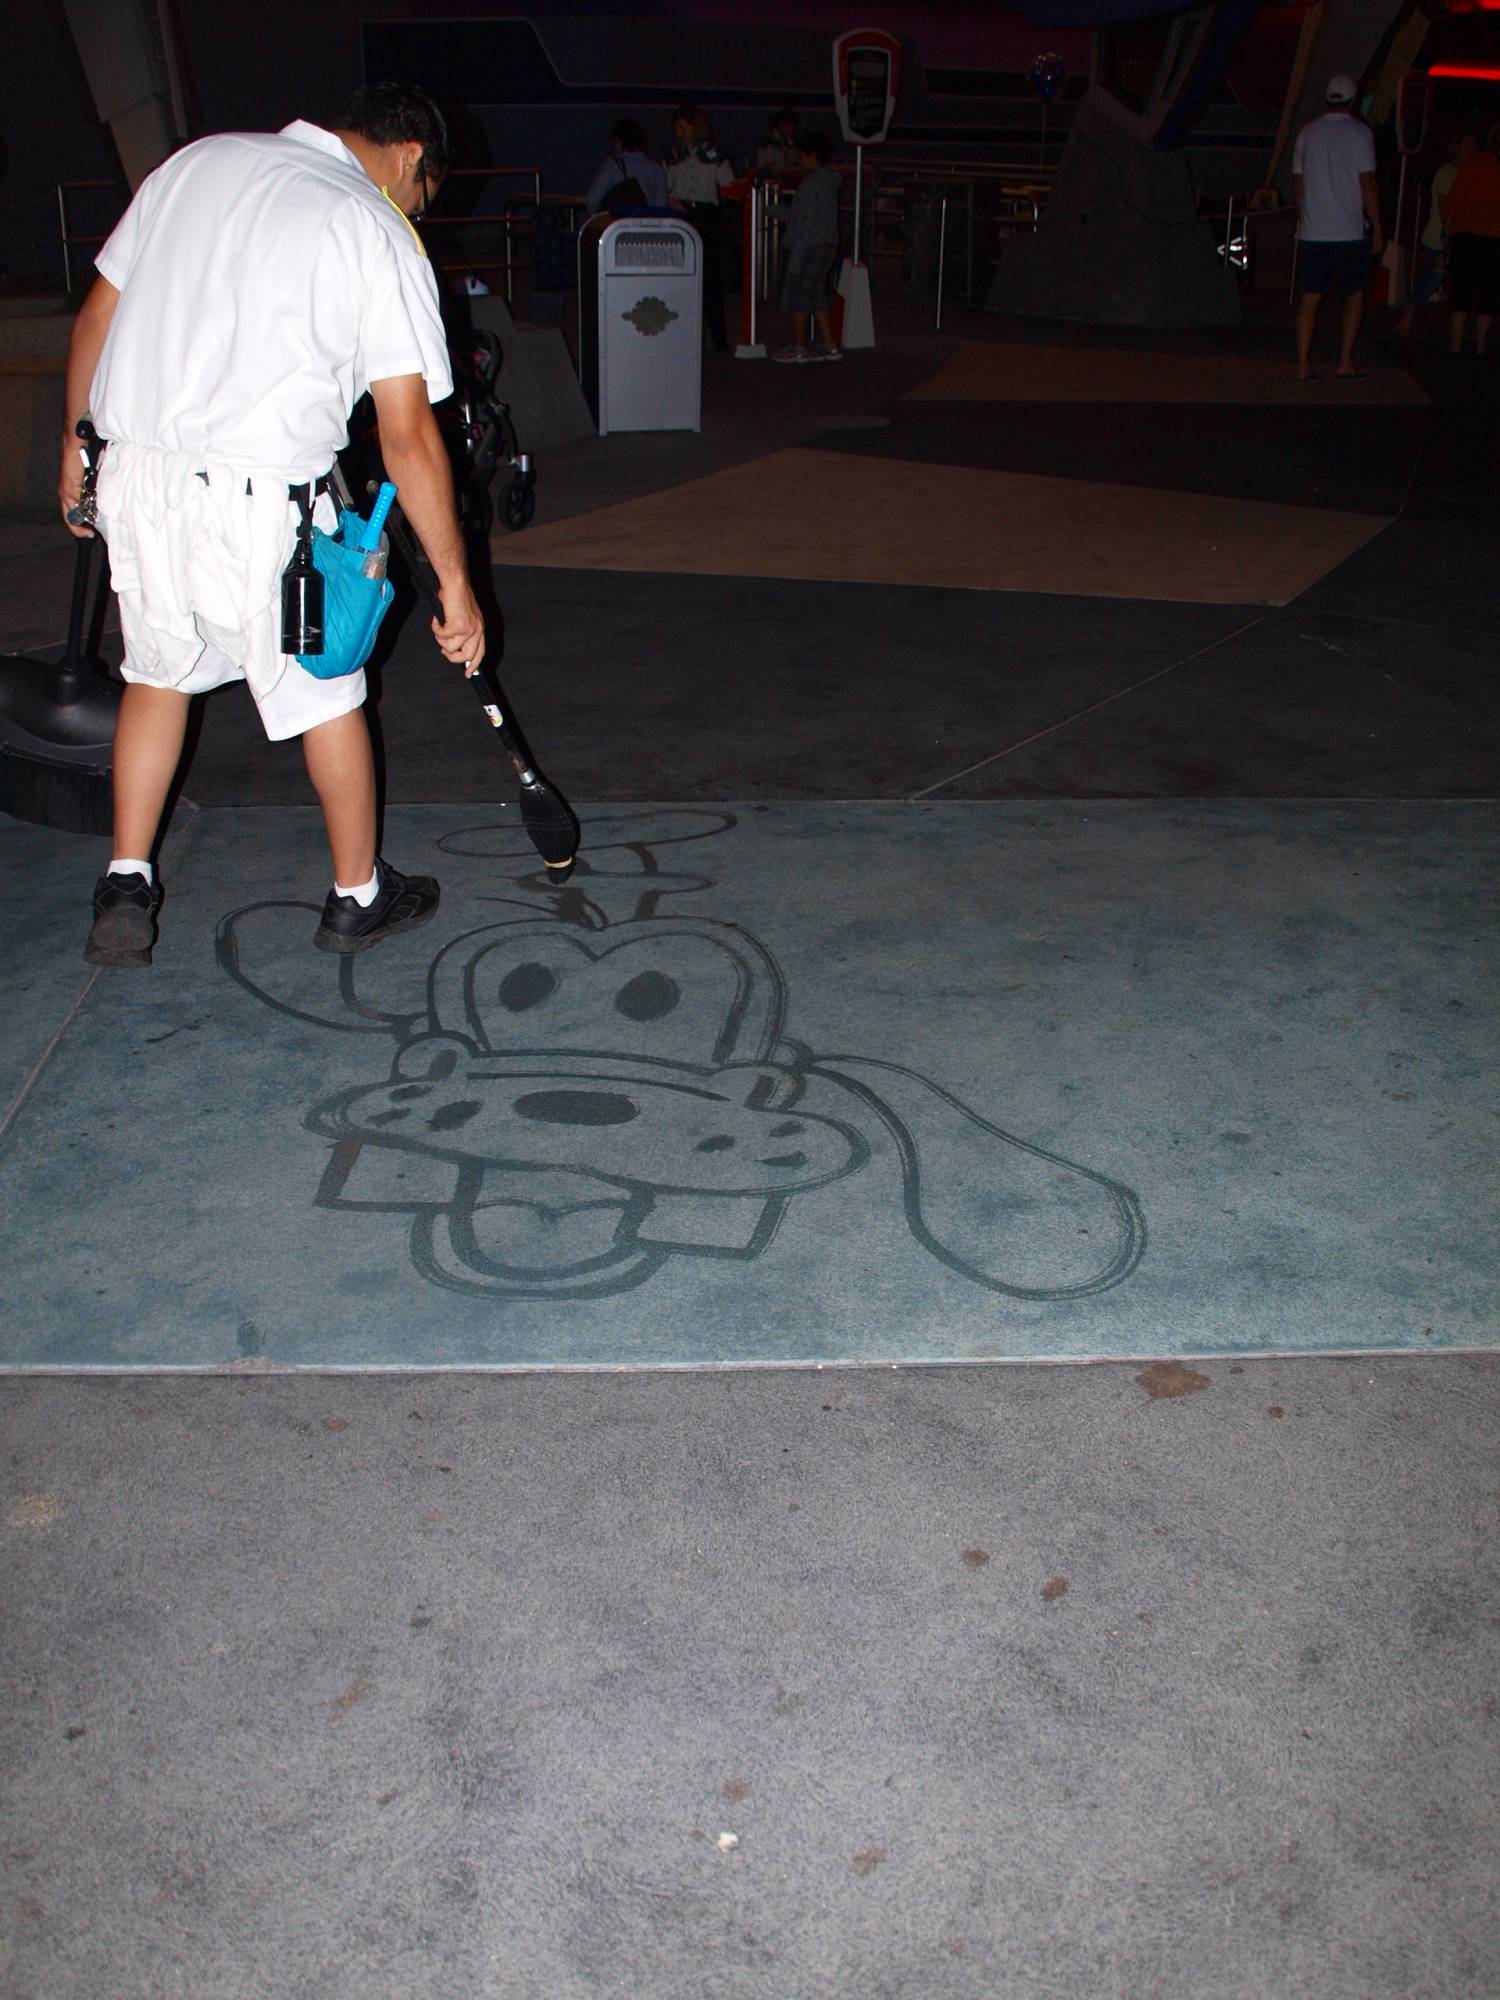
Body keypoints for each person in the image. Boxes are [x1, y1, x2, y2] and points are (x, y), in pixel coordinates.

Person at [58, 84, 484, 970]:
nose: (418, 211)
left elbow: (97, 314)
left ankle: (127, 882)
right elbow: (407, 434)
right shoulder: (371, 225)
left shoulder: (193, 163)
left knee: (157, 674)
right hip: (263, 502)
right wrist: (455, 584)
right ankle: (357, 894)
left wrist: (78, 449)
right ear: (411, 157)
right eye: (426, 194)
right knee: (327, 688)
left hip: (139, 475)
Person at [1291, 73, 1384, 383]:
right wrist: (1378, 226)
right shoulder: (1360, 134)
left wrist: (1305, 213)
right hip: (1349, 229)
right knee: (1354, 296)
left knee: (1310, 298)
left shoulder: (1307, 133)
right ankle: (1344, 361)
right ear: (1353, 99)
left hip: (1313, 231)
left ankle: (1303, 365)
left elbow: (1298, 182)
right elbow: (1367, 182)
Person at [667, 103, 735, 353]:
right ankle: (684, 340)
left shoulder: (716, 155)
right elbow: (664, 187)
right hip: (681, 214)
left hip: (708, 216)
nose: (681, 131)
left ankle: (718, 340)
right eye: (678, 127)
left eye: (686, 126)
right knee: (682, 279)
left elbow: (728, 186)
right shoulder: (671, 157)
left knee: (711, 281)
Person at [1397, 130, 1476, 340]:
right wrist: (1448, 235)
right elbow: (1444, 207)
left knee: (1454, 282)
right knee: (1433, 278)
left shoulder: (1470, 172)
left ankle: (1455, 327)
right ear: (1457, 147)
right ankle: (1408, 317)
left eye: (1473, 146)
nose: (1470, 150)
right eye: (1466, 145)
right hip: (1441, 237)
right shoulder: (1447, 172)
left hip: (1460, 235)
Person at [772, 132, 843, 365]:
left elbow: (803, 223)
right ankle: (829, 345)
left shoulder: (810, 184)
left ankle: (799, 347)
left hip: (809, 247)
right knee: (816, 293)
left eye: (801, 155)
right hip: (827, 244)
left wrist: (775, 212)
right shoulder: (830, 183)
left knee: (800, 295)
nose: (799, 160)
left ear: (811, 155)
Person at [1442, 122, 1500, 355]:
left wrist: (1447, 228)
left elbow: (1454, 199)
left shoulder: (1475, 163)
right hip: (1496, 236)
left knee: (1463, 287)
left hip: (1466, 233)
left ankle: (1456, 341)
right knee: (1489, 289)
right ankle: (1481, 342)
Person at [584, 118, 668, 215]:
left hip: (620, 227)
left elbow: (592, 201)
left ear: (619, 141)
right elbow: (660, 210)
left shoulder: (612, 165)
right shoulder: (657, 169)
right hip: (649, 227)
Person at [755, 108, 801, 180]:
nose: (792, 129)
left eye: (793, 126)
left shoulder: (789, 141)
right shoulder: (768, 141)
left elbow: (796, 160)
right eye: (790, 125)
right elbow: (766, 167)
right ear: (781, 123)